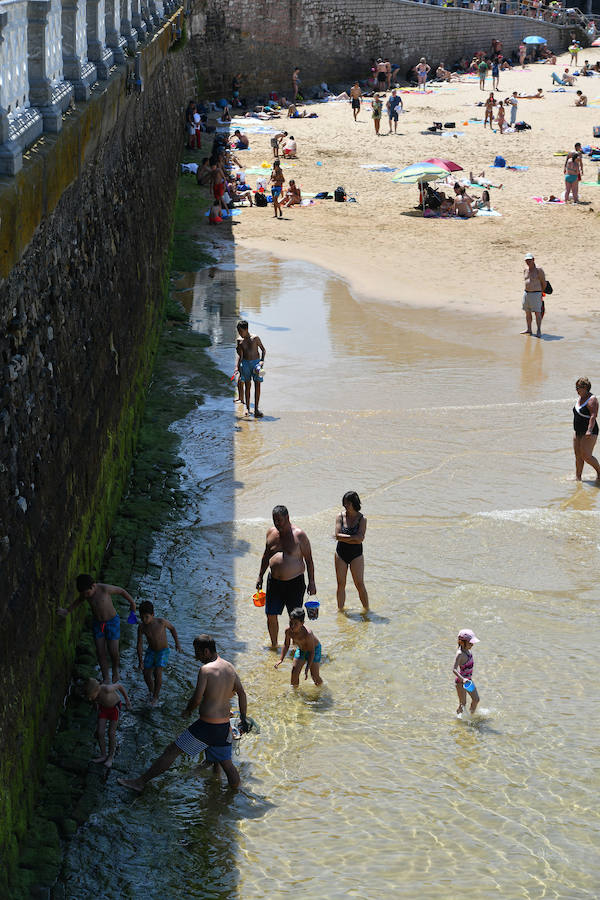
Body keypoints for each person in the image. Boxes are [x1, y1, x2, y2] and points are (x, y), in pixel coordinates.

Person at [118, 635, 250, 792]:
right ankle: (235, 793)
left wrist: (188, 711)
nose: (196, 657)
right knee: (226, 762)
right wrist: (243, 718)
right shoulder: (230, 668)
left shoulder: (206, 670)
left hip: (207, 726)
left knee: (172, 751)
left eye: (198, 653)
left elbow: (196, 698)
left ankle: (140, 782)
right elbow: (242, 694)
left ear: (207, 651)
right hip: (223, 726)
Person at [256, 505, 316, 649]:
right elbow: (266, 556)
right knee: (270, 614)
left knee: (295, 618)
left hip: (295, 583)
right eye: (275, 520)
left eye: (280, 520)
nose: (277, 524)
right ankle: (274, 645)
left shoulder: (299, 535)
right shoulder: (271, 533)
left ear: (287, 518)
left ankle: (297, 646)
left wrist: (312, 582)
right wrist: (260, 576)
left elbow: (309, 560)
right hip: (274, 582)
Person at [59, 575, 136, 683]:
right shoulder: (85, 594)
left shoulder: (104, 589)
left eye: (87, 593)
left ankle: (115, 670)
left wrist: (132, 602)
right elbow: (78, 601)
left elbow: (121, 591)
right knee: (100, 652)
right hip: (98, 624)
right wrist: (67, 611)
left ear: (93, 586)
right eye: (83, 594)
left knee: (113, 651)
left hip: (112, 622)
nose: (85, 596)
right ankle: (106, 678)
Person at [137, 600, 182, 705]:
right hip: (151, 651)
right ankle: (151, 691)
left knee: (157, 672)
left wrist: (177, 643)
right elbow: (139, 644)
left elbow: (172, 629)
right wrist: (140, 660)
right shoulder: (142, 627)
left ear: (153, 615)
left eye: (147, 617)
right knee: (146, 673)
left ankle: (156, 697)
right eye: (142, 617)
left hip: (163, 651)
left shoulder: (161, 622)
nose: (144, 620)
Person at [334, 490, 368, 611]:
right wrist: (354, 538)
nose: (345, 506)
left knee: (359, 584)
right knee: (341, 584)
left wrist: (347, 538)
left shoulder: (362, 519)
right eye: (344, 503)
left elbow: (360, 539)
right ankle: (340, 611)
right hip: (340, 553)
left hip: (356, 555)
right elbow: (337, 535)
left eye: (347, 503)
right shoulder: (340, 516)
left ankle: (366, 609)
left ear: (354, 503)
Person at [86, 678, 131, 767]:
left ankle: (111, 756)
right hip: (103, 709)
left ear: (97, 690)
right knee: (100, 732)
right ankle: (103, 755)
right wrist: (96, 706)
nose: (89, 699)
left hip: (114, 708)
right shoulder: (94, 694)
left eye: (91, 696)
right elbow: (95, 700)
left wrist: (127, 700)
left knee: (111, 733)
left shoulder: (106, 689)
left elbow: (120, 686)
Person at [274, 608, 322, 686]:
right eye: (290, 623)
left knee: (314, 676)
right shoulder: (288, 631)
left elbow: (311, 652)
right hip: (301, 649)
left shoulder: (308, 634)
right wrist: (281, 659)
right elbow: (286, 644)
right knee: (294, 673)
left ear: (302, 623)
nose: (292, 626)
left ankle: (321, 690)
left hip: (314, 650)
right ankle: (295, 693)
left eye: (296, 623)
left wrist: (307, 668)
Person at [235, 319, 265, 417]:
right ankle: (247, 408)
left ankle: (256, 409)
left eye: (241, 331)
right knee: (247, 385)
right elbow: (240, 355)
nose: (240, 333)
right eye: (238, 331)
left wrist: (262, 361)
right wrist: (237, 367)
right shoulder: (239, 340)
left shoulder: (255, 338)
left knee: (258, 385)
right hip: (245, 363)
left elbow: (263, 350)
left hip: (256, 363)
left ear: (246, 329)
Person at [573, 378, 600, 480]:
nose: (576, 390)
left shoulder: (592, 399)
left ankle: (599, 472)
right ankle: (578, 478)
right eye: (576, 387)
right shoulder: (580, 398)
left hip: (590, 432)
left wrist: (589, 430)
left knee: (586, 456)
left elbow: (593, 416)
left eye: (578, 387)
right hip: (578, 432)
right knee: (578, 456)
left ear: (585, 388)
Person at [453, 629, 480, 716]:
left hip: (468, 681)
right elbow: (454, 669)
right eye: (470, 643)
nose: (472, 644)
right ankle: (459, 719)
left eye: (472, 643)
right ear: (461, 642)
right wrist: (463, 679)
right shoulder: (460, 654)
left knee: (476, 699)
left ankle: (472, 717)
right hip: (461, 682)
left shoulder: (469, 651)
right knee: (463, 704)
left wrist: (466, 679)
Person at [521, 252, 546, 337]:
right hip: (526, 293)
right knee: (527, 312)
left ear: (533, 260)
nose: (528, 262)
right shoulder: (525, 269)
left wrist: (541, 293)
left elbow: (544, 282)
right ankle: (529, 329)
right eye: (527, 260)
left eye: (530, 260)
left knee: (537, 313)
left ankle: (538, 330)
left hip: (536, 293)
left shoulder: (539, 270)